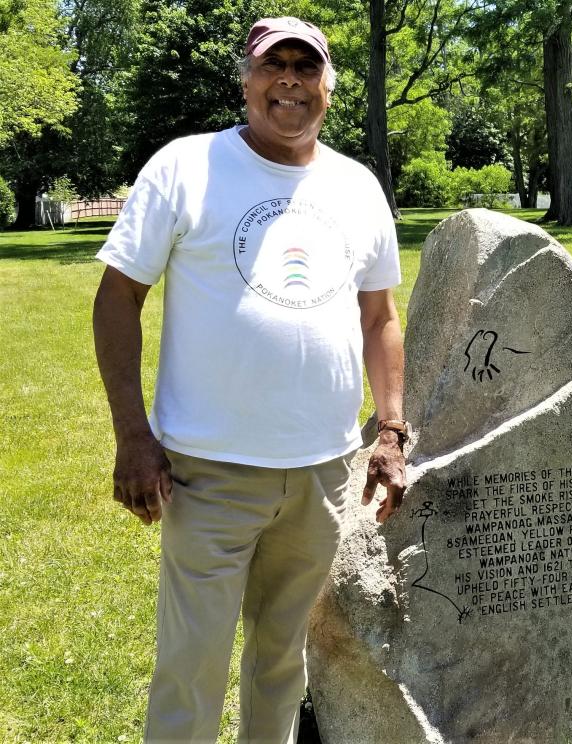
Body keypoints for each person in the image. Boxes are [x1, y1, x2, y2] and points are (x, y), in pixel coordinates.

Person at [92, 16, 407, 743]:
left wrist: (389, 431)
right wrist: (132, 437)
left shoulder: (357, 186)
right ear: (247, 79)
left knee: (282, 666)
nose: (289, 80)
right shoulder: (185, 166)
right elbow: (118, 297)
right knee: (191, 669)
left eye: (307, 67)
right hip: (209, 470)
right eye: (274, 65)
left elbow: (381, 318)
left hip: (324, 473)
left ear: (328, 87)